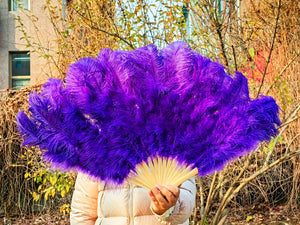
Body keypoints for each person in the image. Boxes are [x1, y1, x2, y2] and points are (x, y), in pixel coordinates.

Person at [70, 172, 196, 225]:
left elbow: (186, 203)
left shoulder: (173, 141)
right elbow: (83, 213)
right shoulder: (96, 146)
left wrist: (166, 209)